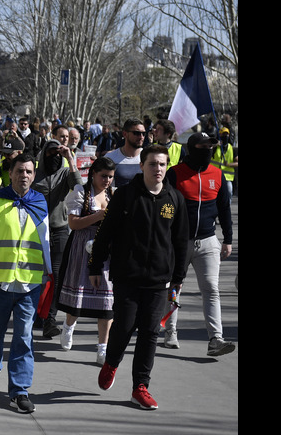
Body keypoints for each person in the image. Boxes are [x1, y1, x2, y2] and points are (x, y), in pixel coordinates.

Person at [90, 145, 189, 410]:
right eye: (153, 164)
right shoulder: (125, 196)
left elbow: (182, 242)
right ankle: (111, 362)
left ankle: (140, 387)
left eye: (162, 164)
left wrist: (178, 276)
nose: (158, 169)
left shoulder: (174, 199)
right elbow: (105, 234)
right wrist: (94, 266)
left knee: (149, 333)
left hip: (159, 280)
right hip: (127, 276)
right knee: (124, 327)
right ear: (142, 166)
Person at [0, 153, 52, 414]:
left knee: (24, 337)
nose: (23, 175)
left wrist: (50, 272)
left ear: (33, 175)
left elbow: (46, 241)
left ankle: (19, 390)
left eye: (28, 171)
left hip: (29, 284)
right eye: (19, 171)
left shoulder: (40, 203)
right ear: (10, 173)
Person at [163, 132, 236, 356]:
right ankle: (170, 330)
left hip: (208, 241)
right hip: (178, 242)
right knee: (175, 286)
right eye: (203, 146)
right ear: (192, 148)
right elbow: (164, 207)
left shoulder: (217, 174)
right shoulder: (175, 174)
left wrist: (228, 240)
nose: (208, 150)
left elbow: (224, 208)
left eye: (211, 147)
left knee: (211, 289)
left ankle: (216, 339)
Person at [56, 157, 116, 363]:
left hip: (106, 250)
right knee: (78, 298)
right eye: (103, 176)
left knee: (107, 300)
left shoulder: (112, 194)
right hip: (82, 247)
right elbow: (73, 224)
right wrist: (99, 216)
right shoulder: (80, 192)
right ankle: (68, 326)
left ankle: (102, 348)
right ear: (93, 174)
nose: (107, 180)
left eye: (110, 177)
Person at [32, 138, 83, 339]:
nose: (54, 156)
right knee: (38, 277)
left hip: (60, 230)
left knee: (56, 277)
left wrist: (70, 159)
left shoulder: (65, 174)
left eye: (57, 153)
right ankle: (37, 314)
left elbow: (79, 186)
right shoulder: (35, 174)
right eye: (50, 153)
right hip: (36, 231)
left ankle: (50, 320)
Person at [104, 119, 145, 189]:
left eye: (143, 133)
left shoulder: (148, 157)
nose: (141, 137)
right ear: (125, 134)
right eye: (136, 133)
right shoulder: (110, 158)